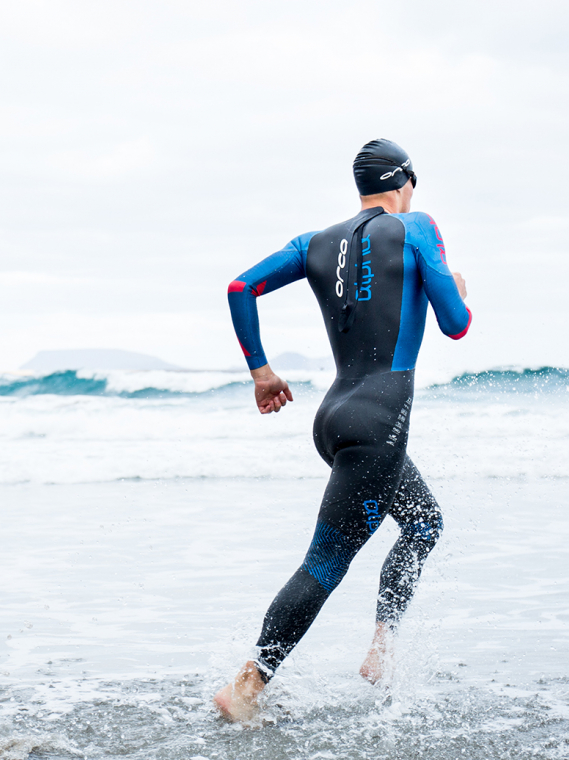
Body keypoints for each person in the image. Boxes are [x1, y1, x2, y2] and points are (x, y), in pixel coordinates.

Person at [214, 138, 471, 722]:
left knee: (424, 524)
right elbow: (455, 325)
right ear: (404, 182)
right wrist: (456, 285)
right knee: (324, 564)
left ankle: (379, 648)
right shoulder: (418, 227)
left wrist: (262, 373)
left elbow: (240, 287)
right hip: (380, 421)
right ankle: (249, 685)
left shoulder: (314, 242)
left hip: (335, 417)